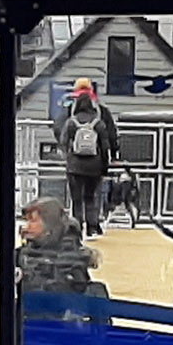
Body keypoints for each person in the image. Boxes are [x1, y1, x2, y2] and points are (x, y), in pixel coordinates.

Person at [57, 78, 119, 238]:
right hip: (94, 164)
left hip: (75, 164)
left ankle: (77, 227)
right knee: (91, 196)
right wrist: (107, 162)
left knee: (76, 198)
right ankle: (93, 225)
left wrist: (67, 155)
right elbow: (108, 139)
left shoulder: (70, 116)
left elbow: (61, 135)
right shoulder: (100, 115)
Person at [17, 197, 95, 297]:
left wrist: (25, 276)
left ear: (49, 224)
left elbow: (65, 295)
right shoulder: (31, 249)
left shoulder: (71, 257)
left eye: (33, 221)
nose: (26, 226)